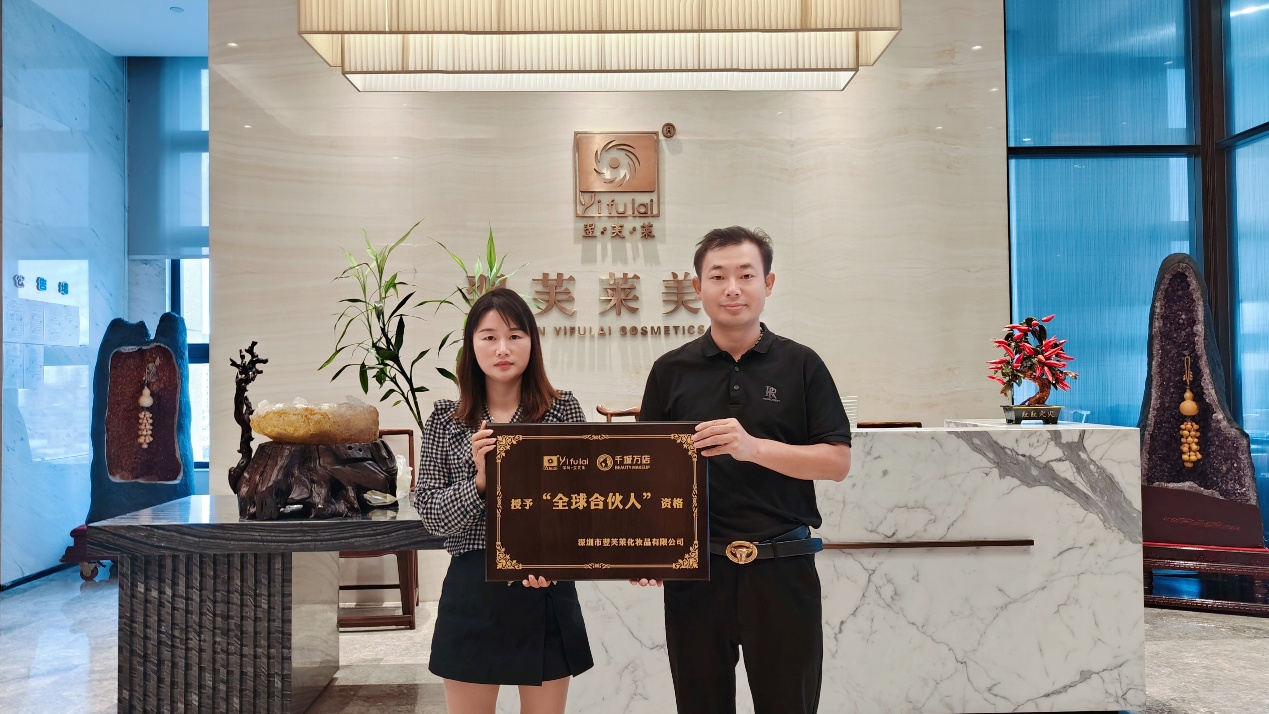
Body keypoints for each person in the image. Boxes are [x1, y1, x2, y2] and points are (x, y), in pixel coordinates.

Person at [636, 226, 852, 714]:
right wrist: (646, 549)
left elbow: (837, 462)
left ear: (768, 283)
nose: (732, 288)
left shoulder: (802, 365)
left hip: (783, 567)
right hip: (696, 573)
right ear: (698, 288)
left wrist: (754, 448)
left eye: (746, 275)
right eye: (718, 276)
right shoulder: (670, 371)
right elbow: (647, 472)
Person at [414, 287, 593, 714]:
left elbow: (585, 504)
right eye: (489, 337)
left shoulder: (562, 410)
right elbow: (432, 515)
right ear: (471, 345)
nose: (502, 349)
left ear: (532, 342)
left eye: (515, 336)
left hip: (545, 588)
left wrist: (555, 562)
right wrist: (480, 482)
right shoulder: (446, 419)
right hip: (473, 590)